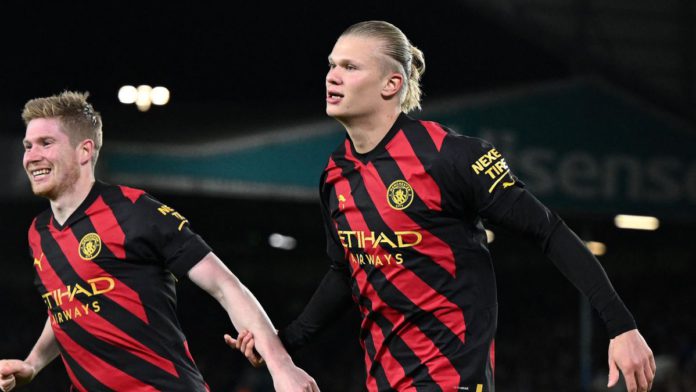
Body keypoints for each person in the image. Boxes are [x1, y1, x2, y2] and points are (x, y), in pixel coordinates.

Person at [230, 20, 657, 392]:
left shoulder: (448, 157)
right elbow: (347, 271)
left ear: (391, 84)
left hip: (451, 376)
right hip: (383, 379)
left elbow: (547, 230)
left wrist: (621, 325)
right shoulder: (335, 175)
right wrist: (285, 342)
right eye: (331, 64)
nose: (332, 76)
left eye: (350, 67)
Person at [0, 91, 319, 392]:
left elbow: (225, 285)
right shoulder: (38, 232)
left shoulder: (136, 211)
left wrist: (282, 366)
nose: (31, 156)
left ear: (84, 151)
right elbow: (65, 307)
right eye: (28, 146)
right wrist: (33, 363)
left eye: (45, 143)